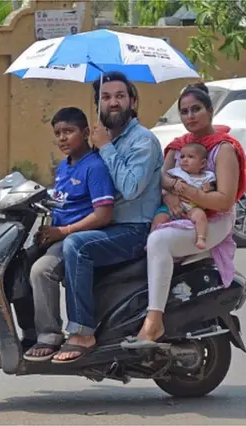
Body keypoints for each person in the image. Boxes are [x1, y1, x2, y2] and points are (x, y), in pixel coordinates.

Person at [122, 82, 246, 349]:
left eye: (196, 109)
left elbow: (224, 200)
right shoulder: (178, 147)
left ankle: (154, 322)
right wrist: (170, 196)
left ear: (211, 111)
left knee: (159, 242)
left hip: (212, 218)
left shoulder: (222, 148)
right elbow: (160, 181)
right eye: (184, 111)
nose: (190, 116)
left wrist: (185, 190)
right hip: (176, 211)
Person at [51, 71, 164, 363]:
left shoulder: (142, 141)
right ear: (98, 105)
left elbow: (130, 187)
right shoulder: (104, 138)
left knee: (76, 245)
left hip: (133, 229)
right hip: (108, 226)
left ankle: (81, 332)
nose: (113, 103)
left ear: (132, 101)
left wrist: (105, 148)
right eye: (105, 97)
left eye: (119, 96)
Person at [23, 107, 116, 361]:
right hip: (58, 236)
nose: (62, 138)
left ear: (86, 133)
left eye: (69, 131)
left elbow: (103, 214)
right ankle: (29, 331)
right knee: (19, 264)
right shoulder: (64, 167)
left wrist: (62, 231)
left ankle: (49, 336)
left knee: (41, 270)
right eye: (58, 133)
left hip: (78, 240)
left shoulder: (94, 167)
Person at [151, 142, 216, 249]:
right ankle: (151, 238)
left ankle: (201, 238)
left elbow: (214, 187)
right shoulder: (177, 172)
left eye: (190, 157)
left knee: (201, 217)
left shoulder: (207, 176)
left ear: (203, 163)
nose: (184, 159)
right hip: (171, 206)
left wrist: (209, 187)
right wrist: (174, 183)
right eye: (182, 157)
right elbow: (163, 180)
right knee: (159, 217)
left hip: (193, 207)